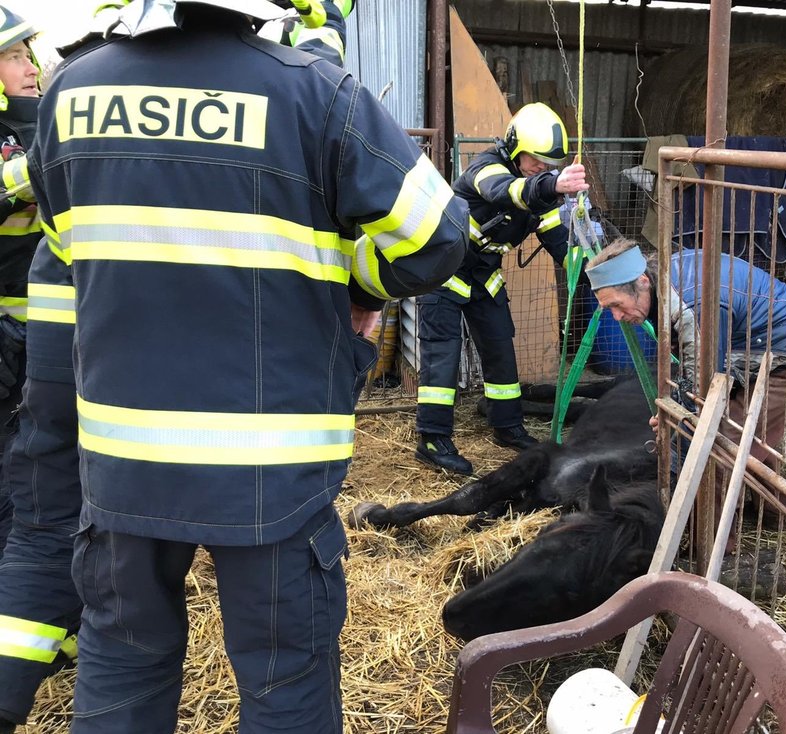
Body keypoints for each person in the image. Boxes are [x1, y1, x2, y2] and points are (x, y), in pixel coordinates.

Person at [26, 1, 467, 732]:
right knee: (285, 680)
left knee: (123, 665)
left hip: (123, 464)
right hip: (269, 472)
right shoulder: (318, 92)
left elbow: (69, 242)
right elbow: (439, 236)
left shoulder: (71, 92)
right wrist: (353, 281)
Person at [415, 102, 589, 475]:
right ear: (514, 146)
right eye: (535, 161)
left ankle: (507, 426)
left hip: (483, 277)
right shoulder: (486, 168)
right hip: (443, 272)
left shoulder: (539, 190)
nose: (541, 169)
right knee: (441, 359)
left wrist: (589, 273)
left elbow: (556, 238)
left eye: (548, 166)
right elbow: (506, 191)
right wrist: (553, 184)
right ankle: (432, 439)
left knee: (500, 352)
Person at [585, 238, 786, 473]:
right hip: (755, 350)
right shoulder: (664, 278)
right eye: (609, 309)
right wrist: (672, 410)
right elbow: (691, 368)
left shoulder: (690, 305)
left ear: (642, 281)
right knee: (754, 431)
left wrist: (677, 438)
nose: (617, 317)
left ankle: (708, 522)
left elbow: (702, 389)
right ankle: (773, 516)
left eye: (617, 305)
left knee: (719, 447)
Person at [0, 6, 43, 557]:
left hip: (47, 334)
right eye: (12, 55)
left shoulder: (36, 123)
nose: (29, 64)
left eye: (28, 52)